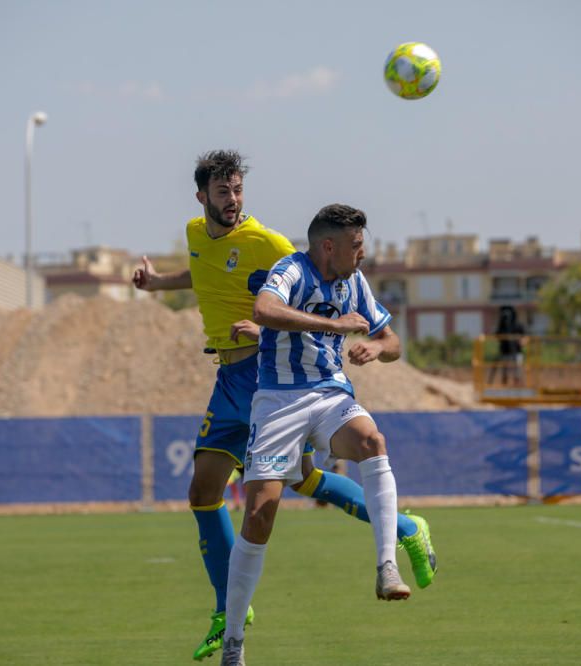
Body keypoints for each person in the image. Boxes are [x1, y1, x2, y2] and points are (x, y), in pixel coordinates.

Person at [132, 152, 437, 662]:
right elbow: (203, 271)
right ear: (202, 197)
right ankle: (231, 612)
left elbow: (289, 294)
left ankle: (233, 616)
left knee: (286, 486)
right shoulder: (194, 234)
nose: (233, 200)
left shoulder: (272, 246)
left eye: (238, 190)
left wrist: (276, 326)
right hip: (229, 375)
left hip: (268, 373)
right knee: (206, 489)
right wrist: (159, 284)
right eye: (223, 191)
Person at [221, 204, 423, 666]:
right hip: (277, 401)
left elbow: (392, 341)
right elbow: (265, 309)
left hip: (330, 394)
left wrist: (375, 345)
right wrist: (335, 325)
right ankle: (234, 641)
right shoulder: (292, 269)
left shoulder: (356, 282)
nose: (363, 254)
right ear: (328, 245)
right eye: (356, 245)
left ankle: (386, 566)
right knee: (258, 515)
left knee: (373, 442)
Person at [490, 305, 525, 385]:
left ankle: (517, 386)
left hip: (517, 352)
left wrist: (522, 341)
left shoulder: (518, 325)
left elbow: (524, 336)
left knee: (517, 371)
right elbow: (496, 336)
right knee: (504, 371)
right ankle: (504, 385)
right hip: (504, 352)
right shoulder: (501, 326)